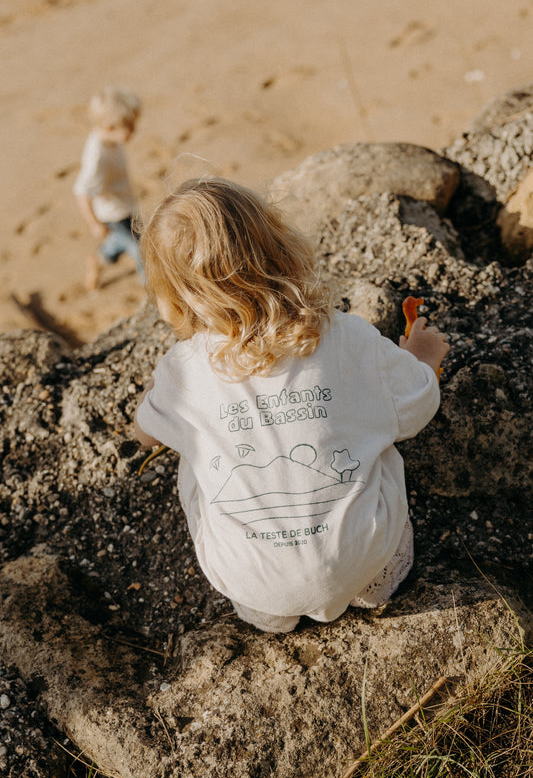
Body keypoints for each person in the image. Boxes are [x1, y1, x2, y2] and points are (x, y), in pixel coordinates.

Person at [134, 177, 450, 633]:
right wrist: (420, 358)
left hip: (254, 587)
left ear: (174, 296)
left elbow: (145, 433)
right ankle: (375, 588)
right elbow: (417, 408)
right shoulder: (348, 337)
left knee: (192, 453)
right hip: (367, 563)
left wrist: (156, 405)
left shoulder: (181, 372)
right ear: (280, 247)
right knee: (377, 429)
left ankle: (272, 611)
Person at [73, 87, 144, 290]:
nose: (134, 129)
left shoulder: (111, 139)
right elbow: (81, 191)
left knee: (117, 245)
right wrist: (93, 223)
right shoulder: (97, 156)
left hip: (126, 205)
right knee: (141, 250)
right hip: (112, 215)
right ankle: (150, 288)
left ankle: (98, 259)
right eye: (129, 125)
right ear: (109, 127)